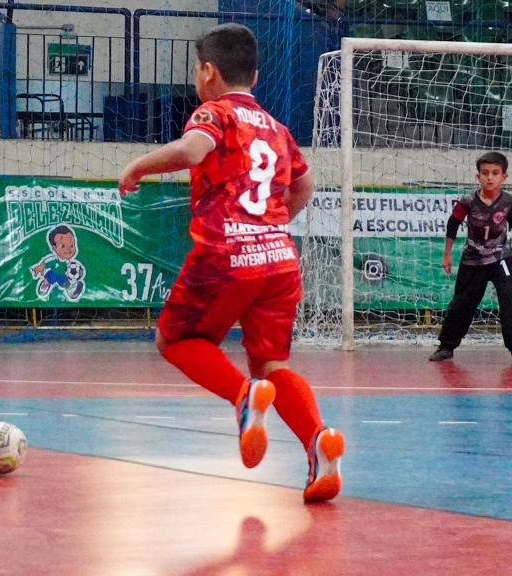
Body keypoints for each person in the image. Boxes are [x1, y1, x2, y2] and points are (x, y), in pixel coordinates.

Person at [117, 23, 344, 502]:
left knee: (175, 339)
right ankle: (319, 443)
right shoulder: (278, 129)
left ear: (207, 71)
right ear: (256, 77)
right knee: (271, 363)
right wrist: (271, 223)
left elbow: (192, 150)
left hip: (226, 252)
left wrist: (137, 165)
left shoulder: (215, 113)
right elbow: (305, 185)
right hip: (279, 259)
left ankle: (242, 397)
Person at [429, 152, 512, 365]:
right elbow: (452, 224)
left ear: (503, 177)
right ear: (478, 176)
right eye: (485, 173)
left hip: (501, 258)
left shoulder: (509, 202)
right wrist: (447, 255)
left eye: (495, 173)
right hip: (473, 259)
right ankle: (446, 346)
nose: (490, 177)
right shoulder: (468, 201)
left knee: (509, 302)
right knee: (462, 303)